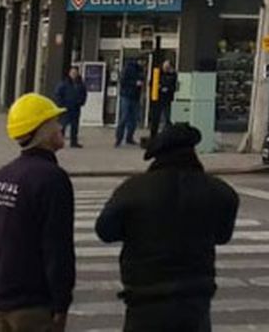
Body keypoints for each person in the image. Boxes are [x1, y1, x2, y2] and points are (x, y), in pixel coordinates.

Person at [96, 124, 239, 332]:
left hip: (144, 298)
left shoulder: (133, 189)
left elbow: (105, 231)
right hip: (195, 298)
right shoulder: (219, 191)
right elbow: (223, 235)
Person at [0, 93, 75, 332]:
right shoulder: (52, 179)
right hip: (33, 304)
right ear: (42, 130)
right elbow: (57, 246)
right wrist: (61, 302)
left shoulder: (2, 175)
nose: (60, 127)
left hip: (1, 297)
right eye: (55, 122)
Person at [54, 66, 86, 148]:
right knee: (63, 125)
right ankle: (59, 142)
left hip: (76, 107)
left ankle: (74, 142)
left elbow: (84, 93)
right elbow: (58, 94)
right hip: (66, 107)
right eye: (72, 73)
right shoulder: (64, 83)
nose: (74, 74)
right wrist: (60, 104)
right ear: (69, 73)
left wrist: (81, 102)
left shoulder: (80, 83)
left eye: (75, 73)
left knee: (75, 126)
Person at [115, 59, 144, 146]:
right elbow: (123, 81)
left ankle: (129, 137)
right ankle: (119, 138)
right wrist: (135, 83)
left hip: (135, 97)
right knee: (124, 117)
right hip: (127, 96)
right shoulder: (128, 68)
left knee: (133, 119)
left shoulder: (140, 69)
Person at [155, 60, 178, 130]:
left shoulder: (173, 75)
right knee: (160, 114)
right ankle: (162, 126)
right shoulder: (159, 73)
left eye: (167, 67)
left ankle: (166, 127)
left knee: (167, 114)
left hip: (168, 98)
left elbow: (174, 86)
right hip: (160, 97)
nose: (165, 68)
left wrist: (167, 88)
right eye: (164, 66)